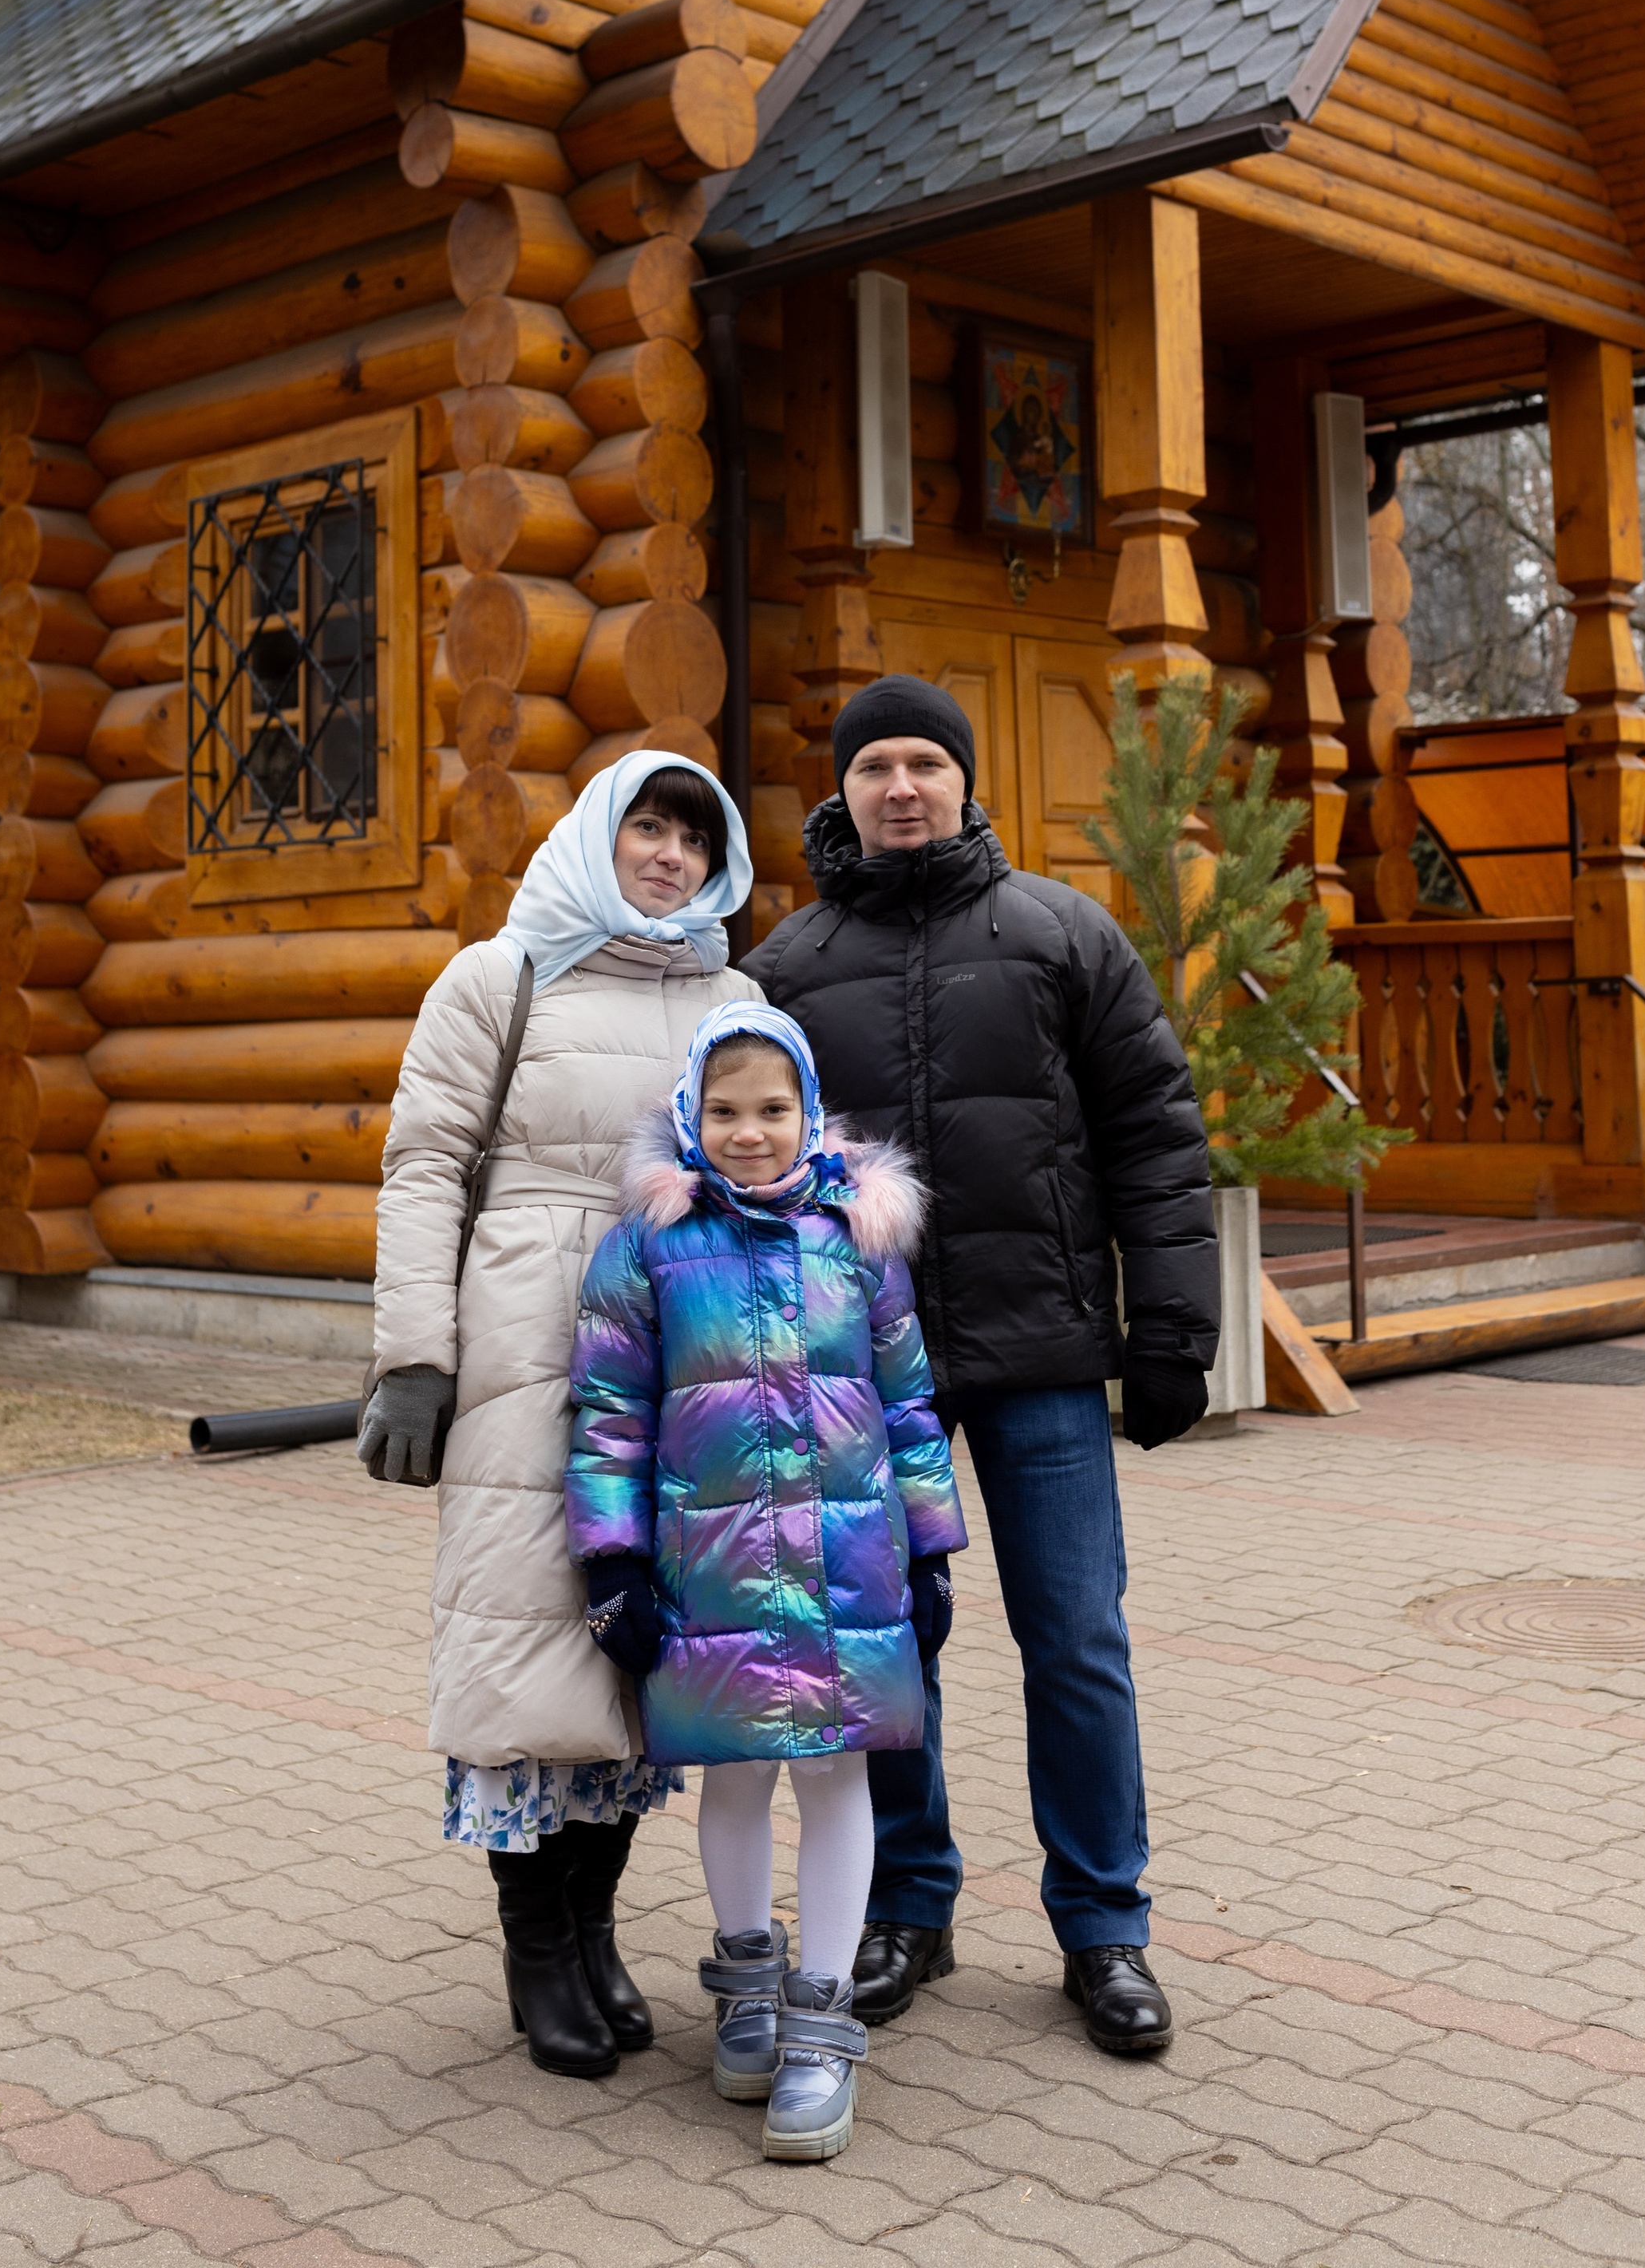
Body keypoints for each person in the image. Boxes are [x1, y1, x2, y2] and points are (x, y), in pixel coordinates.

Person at [743, 674, 1219, 2056]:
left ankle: (1105, 1928)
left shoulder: (1061, 934)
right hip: (863, 1374)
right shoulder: (785, 968)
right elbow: (740, 1161)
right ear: (842, 792)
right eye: (875, 766)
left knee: (1077, 1639)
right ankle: (909, 1902)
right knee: (893, 1647)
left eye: (925, 764)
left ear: (966, 781)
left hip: (1048, 1352)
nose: (902, 787)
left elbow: (1154, 1133)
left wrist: (1174, 1330)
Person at [361, 749, 760, 2080]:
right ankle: (539, 1946)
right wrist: (414, 1358)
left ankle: (595, 1932)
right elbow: (422, 1166)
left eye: (693, 840)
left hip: (679, 1355)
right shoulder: (500, 978)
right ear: (599, 835)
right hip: (528, 1345)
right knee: (528, 1639)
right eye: (646, 827)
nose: (668, 856)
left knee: (639, 1652)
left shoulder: (735, 995)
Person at [564, 1003, 967, 2161]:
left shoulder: (856, 1238)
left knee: (839, 1777)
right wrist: (613, 1561)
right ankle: (747, 1980)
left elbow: (906, 1404)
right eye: (726, 1111)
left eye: (773, 1110)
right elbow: (606, 1417)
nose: (750, 1133)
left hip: (850, 1566)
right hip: (711, 1570)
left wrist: (932, 1546)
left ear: (809, 1116)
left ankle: (824, 2016)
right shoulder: (647, 1245)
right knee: (735, 1777)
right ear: (691, 1116)